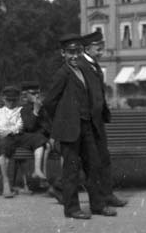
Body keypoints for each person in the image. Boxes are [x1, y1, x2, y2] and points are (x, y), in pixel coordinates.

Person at [42, 33, 116, 219]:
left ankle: (98, 205)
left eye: (77, 52)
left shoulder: (83, 70)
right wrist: (60, 123)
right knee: (71, 170)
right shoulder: (62, 73)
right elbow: (49, 102)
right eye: (70, 52)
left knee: (94, 166)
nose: (74, 56)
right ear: (63, 54)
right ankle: (72, 208)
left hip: (87, 127)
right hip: (70, 131)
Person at [79, 30, 128, 208]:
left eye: (102, 48)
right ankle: (97, 198)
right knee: (92, 161)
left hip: (97, 121)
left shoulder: (95, 65)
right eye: (98, 48)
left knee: (104, 158)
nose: (101, 52)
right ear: (87, 48)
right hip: (87, 122)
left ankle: (107, 194)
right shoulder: (81, 66)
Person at [0, 85, 47, 198]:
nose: (11, 102)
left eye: (14, 100)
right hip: (6, 139)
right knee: (3, 147)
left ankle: (37, 170)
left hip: (20, 136)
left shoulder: (21, 110)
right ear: (3, 99)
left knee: (39, 139)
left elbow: (21, 126)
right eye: (8, 100)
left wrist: (8, 130)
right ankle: (6, 183)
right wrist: (7, 131)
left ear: (18, 99)